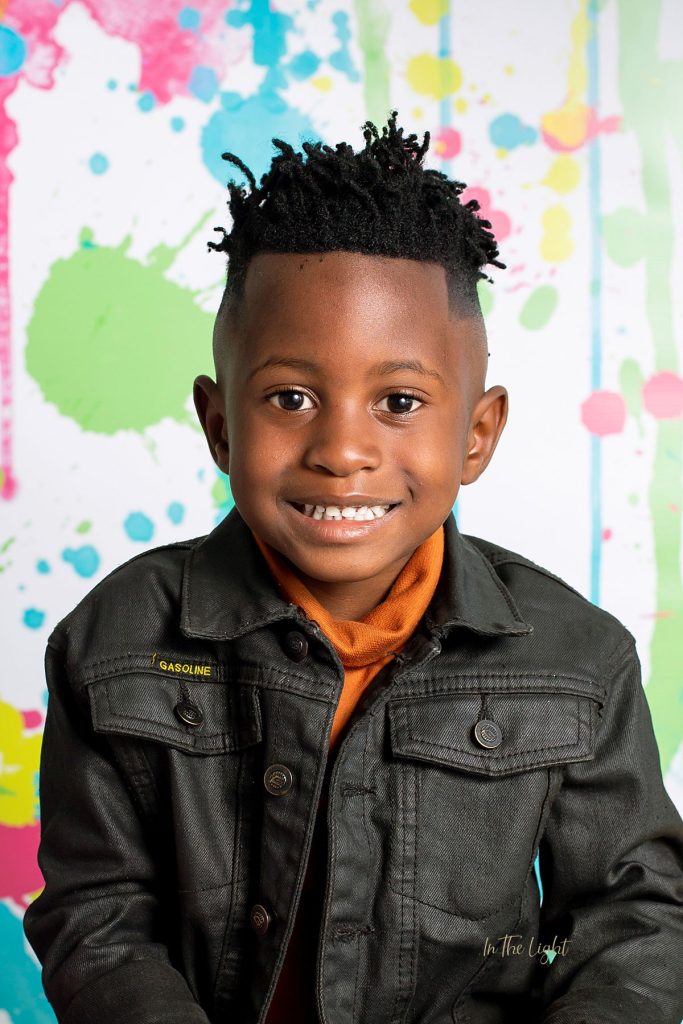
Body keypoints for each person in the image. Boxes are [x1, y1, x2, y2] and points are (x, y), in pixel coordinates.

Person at [24, 111, 683, 1024]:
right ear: (219, 424)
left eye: (399, 401)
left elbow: (627, 919)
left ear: (476, 434)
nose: (342, 450)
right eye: (290, 397)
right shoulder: (116, 640)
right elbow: (100, 917)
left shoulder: (578, 660)